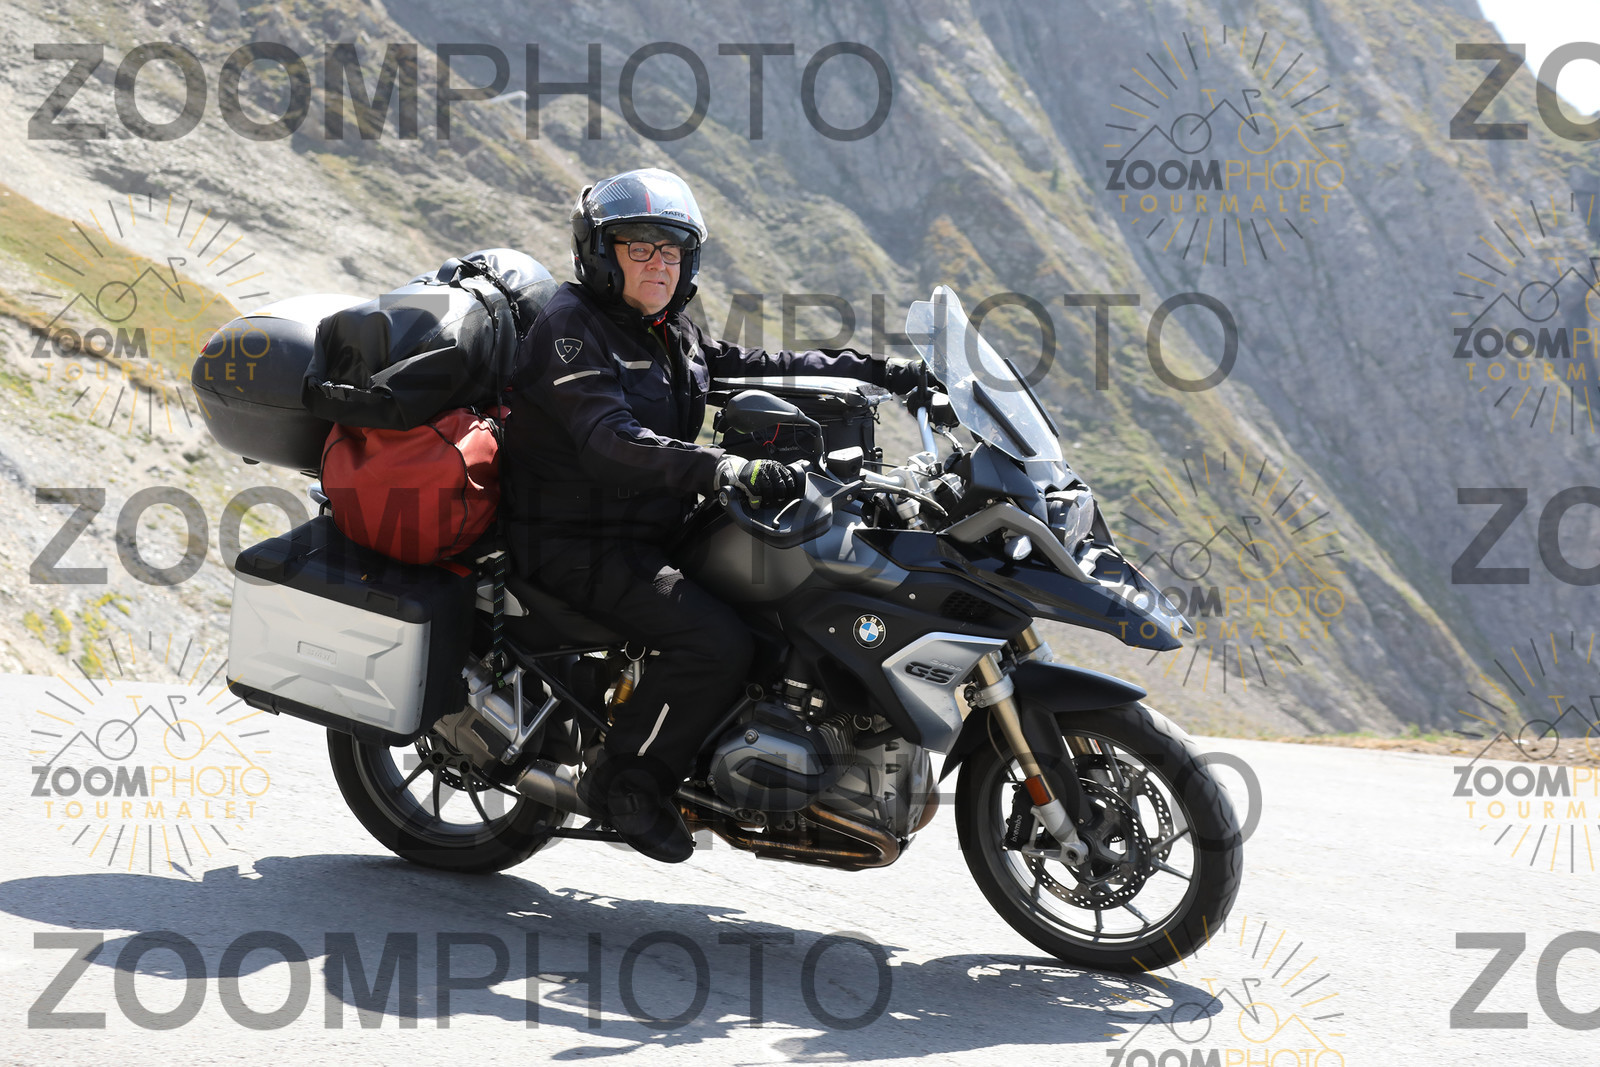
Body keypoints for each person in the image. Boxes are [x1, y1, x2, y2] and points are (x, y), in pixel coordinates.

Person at [502, 168, 925, 863]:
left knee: (782, 604)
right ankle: (626, 783)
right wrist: (724, 468)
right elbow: (610, 440)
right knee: (715, 642)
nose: (659, 264)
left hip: (656, 521)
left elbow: (756, 365)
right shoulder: (570, 328)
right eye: (640, 248)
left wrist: (882, 373)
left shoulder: (668, 326)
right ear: (601, 253)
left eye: (672, 250)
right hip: (575, 540)